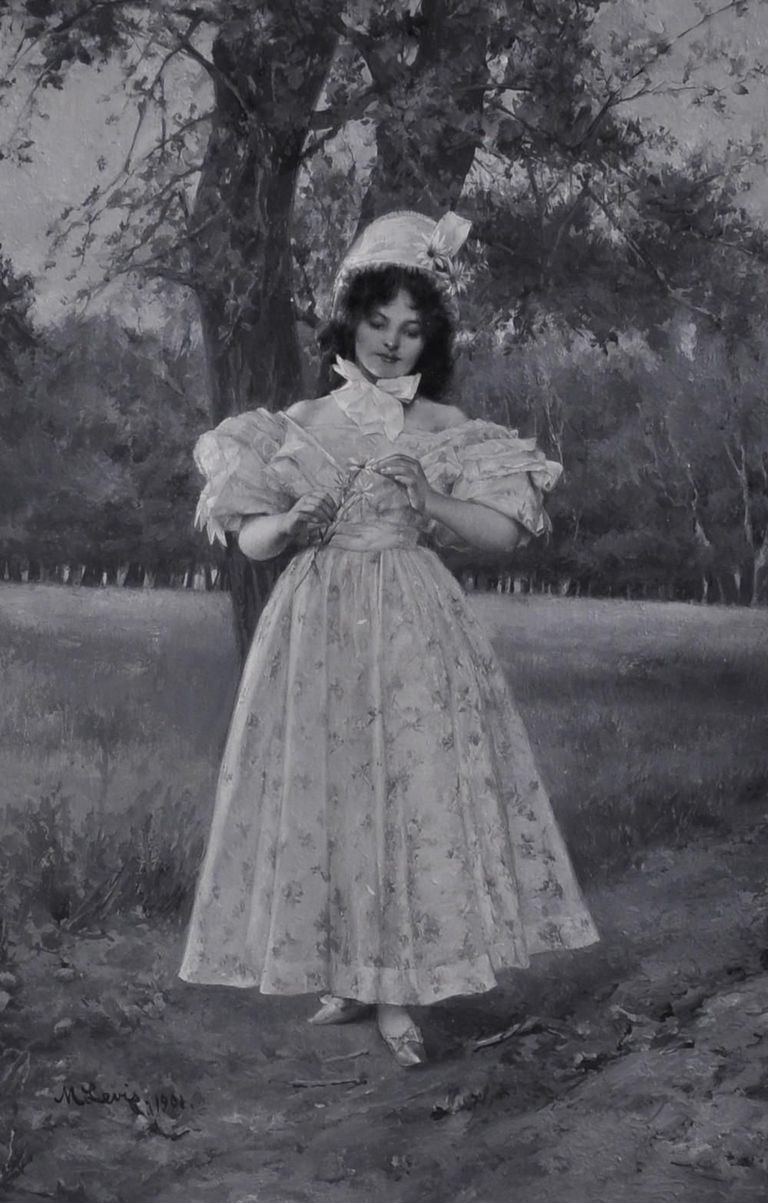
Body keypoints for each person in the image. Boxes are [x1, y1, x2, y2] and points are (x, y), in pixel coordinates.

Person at [178, 210, 599, 1067]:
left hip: (411, 620)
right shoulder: (296, 421)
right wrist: (292, 520)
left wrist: (429, 500)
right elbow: (249, 536)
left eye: (412, 330)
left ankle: (401, 988)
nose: (392, 343)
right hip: (315, 624)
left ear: (429, 342)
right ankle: (351, 973)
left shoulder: (445, 428)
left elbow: (504, 534)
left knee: (410, 786)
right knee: (331, 787)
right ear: (350, 319)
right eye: (379, 322)